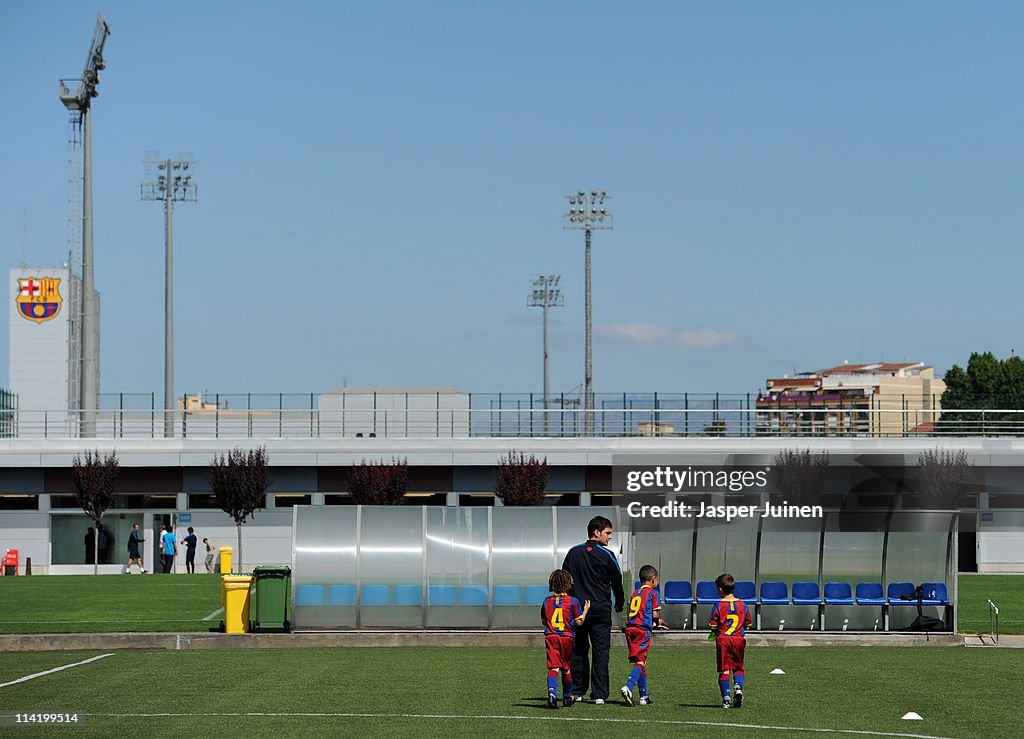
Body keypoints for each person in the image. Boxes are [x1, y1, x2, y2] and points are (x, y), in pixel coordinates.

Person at [561, 515, 624, 705]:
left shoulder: (573, 553)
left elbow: (565, 580)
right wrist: (619, 602)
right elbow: (617, 581)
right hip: (600, 610)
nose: (610, 537)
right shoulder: (607, 555)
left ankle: (578, 691)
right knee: (601, 651)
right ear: (596, 533)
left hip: (578, 610)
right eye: (608, 533)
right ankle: (599, 694)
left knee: (578, 650)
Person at [541, 569, 590, 709]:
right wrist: (585, 610)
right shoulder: (573, 601)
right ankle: (568, 697)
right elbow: (579, 622)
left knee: (553, 667)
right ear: (568, 584)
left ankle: (552, 694)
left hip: (551, 637)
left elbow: (544, 621)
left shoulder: (547, 601)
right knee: (566, 668)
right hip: (567, 638)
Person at [620, 564, 668, 706]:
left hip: (630, 630)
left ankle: (643, 696)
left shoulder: (635, 593)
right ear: (653, 580)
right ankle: (628, 687)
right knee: (641, 661)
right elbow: (654, 614)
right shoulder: (653, 593)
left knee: (640, 661)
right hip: (642, 630)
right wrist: (658, 621)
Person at [709, 572, 752, 709]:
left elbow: (713, 625)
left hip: (723, 640)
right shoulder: (743, 605)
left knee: (724, 670)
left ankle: (726, 699)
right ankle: (738, 688)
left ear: (720, 590)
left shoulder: (718, 606)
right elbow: (748, 623)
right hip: (738, 639)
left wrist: (715, 631)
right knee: (738, 667)